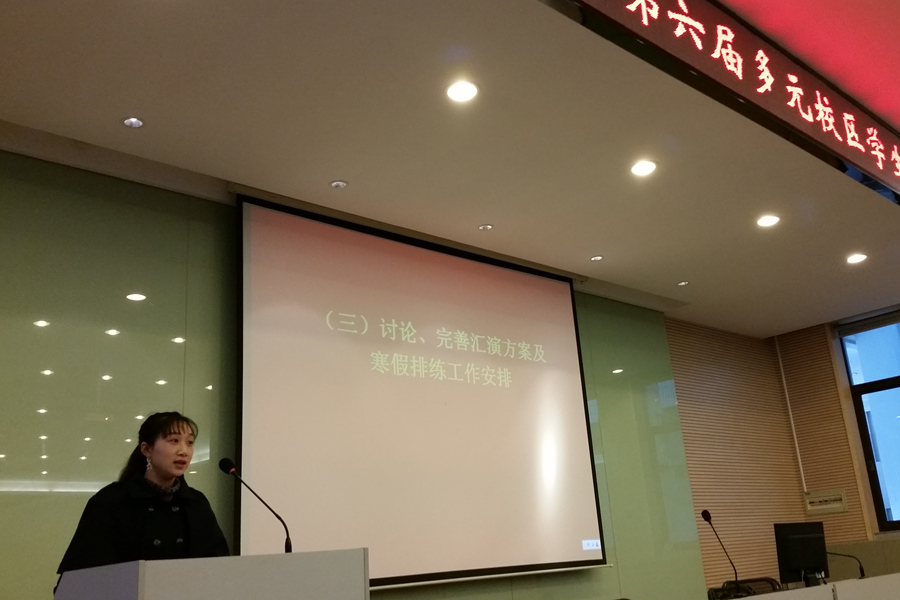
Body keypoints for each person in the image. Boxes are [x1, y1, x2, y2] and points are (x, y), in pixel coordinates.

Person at [57, 412, 230, 575]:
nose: (184, 451)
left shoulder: (196, 503)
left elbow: (219, 569)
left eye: (190, 443)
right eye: (174, 441)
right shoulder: (111, 501)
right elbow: (82, 574)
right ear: (147, 449)